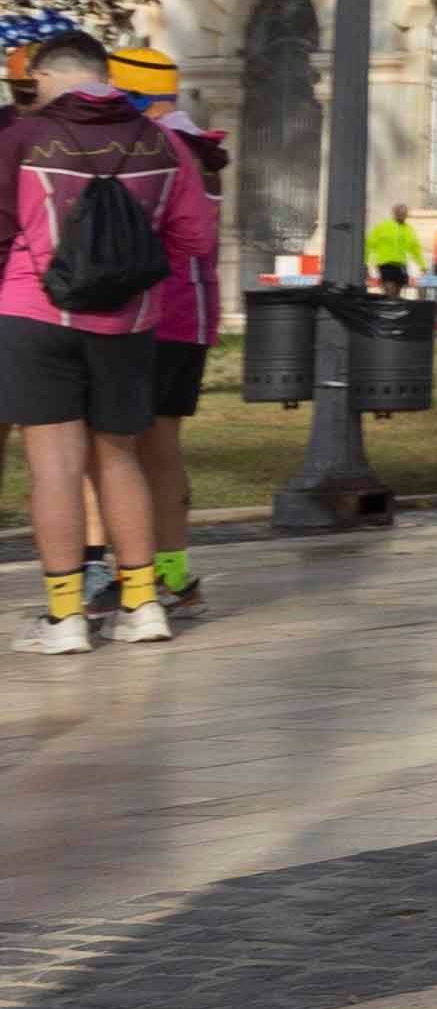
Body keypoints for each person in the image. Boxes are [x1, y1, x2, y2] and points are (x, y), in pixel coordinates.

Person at [4, 36, 216, 656]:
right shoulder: (164, 142)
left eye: (32, 80)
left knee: (55, 466)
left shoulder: (22, 136)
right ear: (105, 77)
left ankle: (66, 616)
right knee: (120, 458)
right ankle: (143, 604)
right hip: (130, 322)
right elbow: (193, 238)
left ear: (49, 76)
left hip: (34, 312)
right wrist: (132, 281)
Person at [120, 49, 219, 630]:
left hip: (160, 316)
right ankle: (175, 573)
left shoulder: (160, 148)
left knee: (131, 451)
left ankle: (149, 578)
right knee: (163, 448)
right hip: (194, 320)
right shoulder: (199, 145)